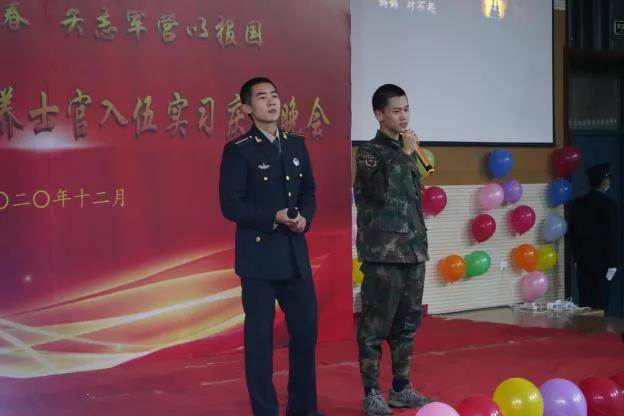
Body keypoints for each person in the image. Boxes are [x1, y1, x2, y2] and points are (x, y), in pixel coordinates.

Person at [219, 77, 324, 416]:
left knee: (305, 334)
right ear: (247, 108)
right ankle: (266, 411)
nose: (271, 102)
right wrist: (273, 217)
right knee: (260, 342)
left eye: (275, 95)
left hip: (294, 256)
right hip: (259, 260)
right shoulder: (239, 150)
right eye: (262, 97)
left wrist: (305, 217)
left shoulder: (295, 144)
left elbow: (309, 192)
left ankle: (303, 408)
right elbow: (230, 205)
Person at [353, 84, 433, 415]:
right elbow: (382, 191)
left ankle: (401, 387)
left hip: (413, 250)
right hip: (383, 254)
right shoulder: (369, 152)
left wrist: (408, 153)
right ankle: (371, 392)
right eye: (396, 111)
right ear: (379, 114)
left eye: (406, 109)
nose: (403, 117)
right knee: (374, 326)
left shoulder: (408, 151)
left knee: (407, 325)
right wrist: (404, 154)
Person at [570, 162, 619, 310]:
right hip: (602, 264)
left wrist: (575, 257)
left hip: (583, 263)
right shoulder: (608, 204)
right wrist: (613, 263)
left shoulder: (578, 203)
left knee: (586, 305)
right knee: (601, 305)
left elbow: (573, 233)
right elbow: (611, 235)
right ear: (603, 182)